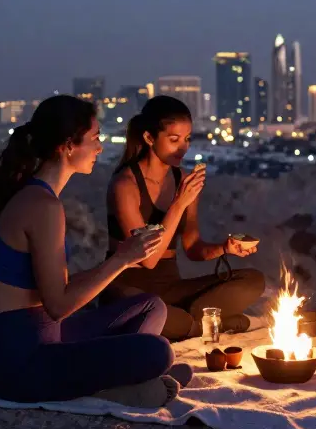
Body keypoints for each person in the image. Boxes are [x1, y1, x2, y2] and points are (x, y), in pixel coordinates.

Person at [0, 94, 191, 407]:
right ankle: (125, 384)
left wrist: (123, 261)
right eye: (95, 138)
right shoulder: (43, 206)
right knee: (158, 351)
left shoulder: (41, 198)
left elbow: (53, 293)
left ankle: (128, 379)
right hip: (20, 366)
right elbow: (59, 305)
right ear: (68, 146)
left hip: (47, 333)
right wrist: (121, 259)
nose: (100, 147)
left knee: (151, 307)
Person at [103, 96, 267, 341]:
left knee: (253, 280)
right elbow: (147, 259)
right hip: (127, 289)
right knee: (162, 315)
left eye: (187, 139)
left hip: (170, 287)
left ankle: (192, 323)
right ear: (149, 138)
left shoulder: (183, 181)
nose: (183, 148)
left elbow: (192, 247)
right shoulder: (125, 184)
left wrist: (224, 248)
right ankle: (208, 324)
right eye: (174, 140)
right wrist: (179, 203)